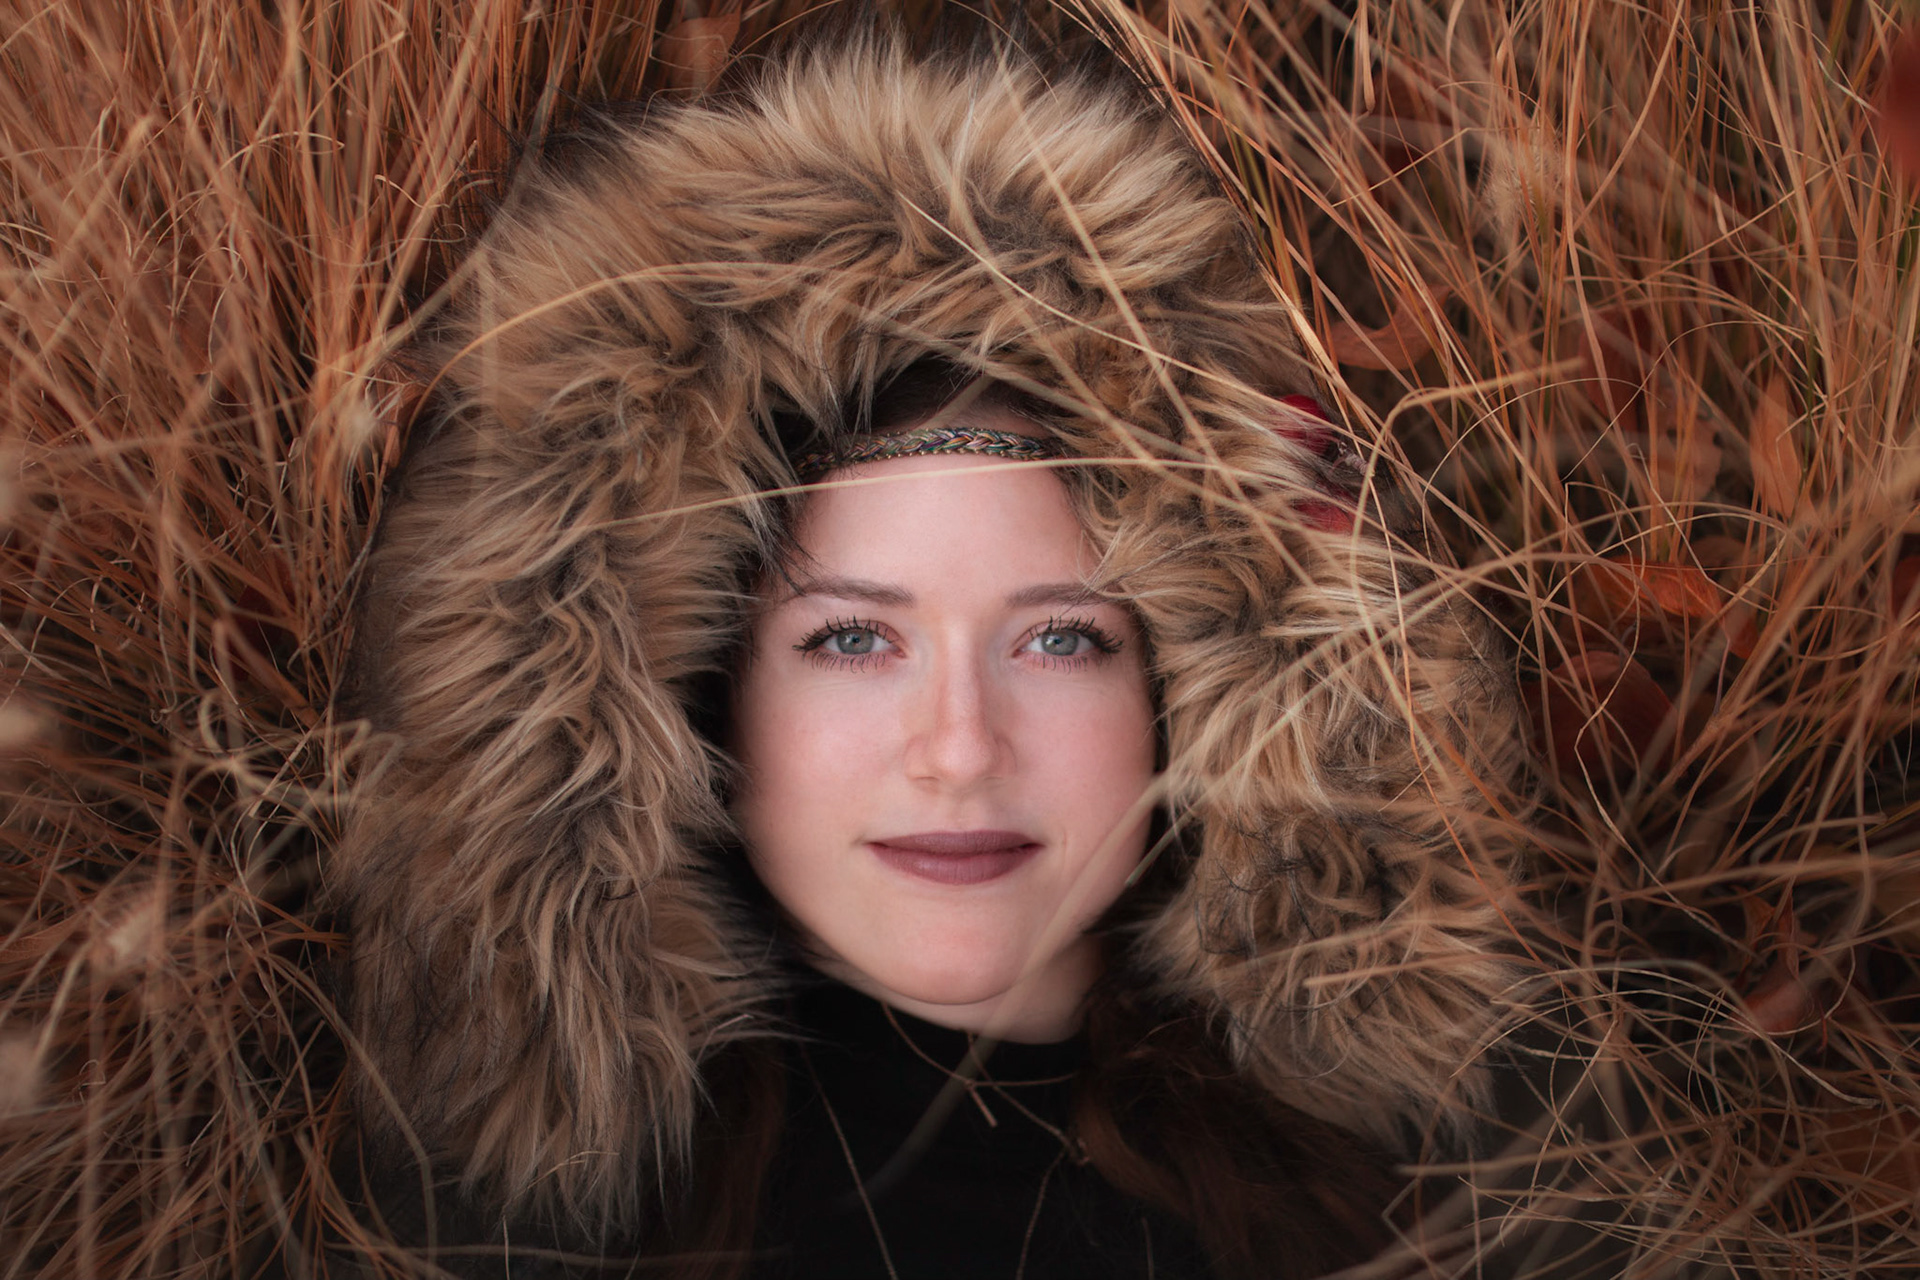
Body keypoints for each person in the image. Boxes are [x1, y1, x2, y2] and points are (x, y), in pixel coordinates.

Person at [333, 26, 1527, 1280]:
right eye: (853, 637)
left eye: (1063, 637)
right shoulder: (484, 1236)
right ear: (694, 693)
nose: (960, 748)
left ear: (1195, 690)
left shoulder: (1476, 1202)